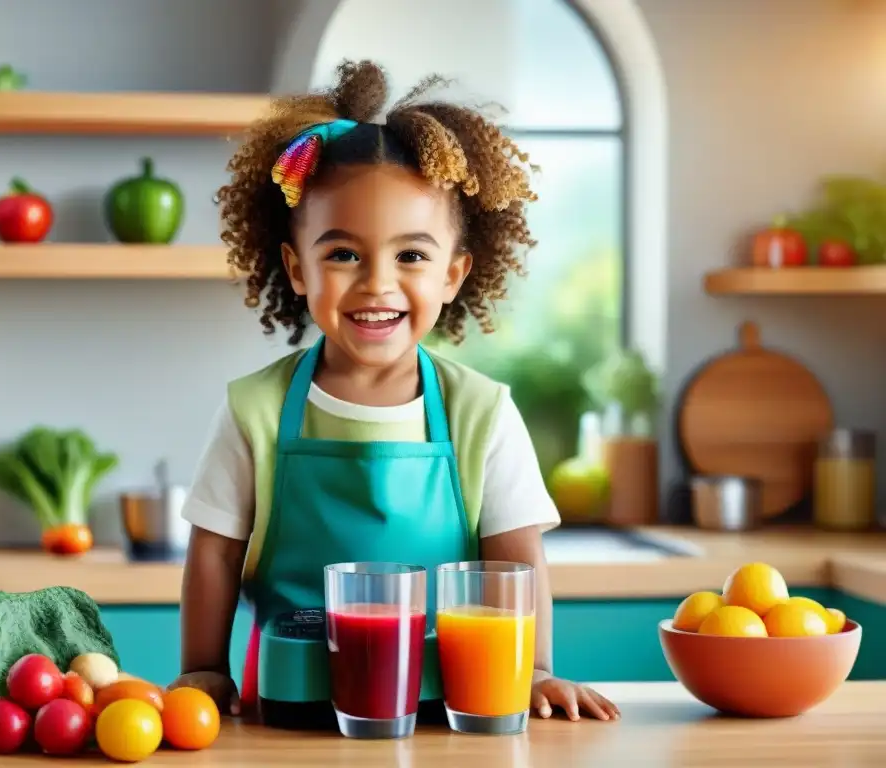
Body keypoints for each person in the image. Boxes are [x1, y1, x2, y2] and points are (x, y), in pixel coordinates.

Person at [170, 60, 620, 723]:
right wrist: (202, 667)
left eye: (410, 256)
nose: (377, 285)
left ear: (454, 274)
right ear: (297, 268)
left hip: (450, 709)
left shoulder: (482, 412)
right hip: (288, 714)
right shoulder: (255, 410)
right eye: (344, 254)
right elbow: (214, 553)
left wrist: (536, 671)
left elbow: (517, 558)